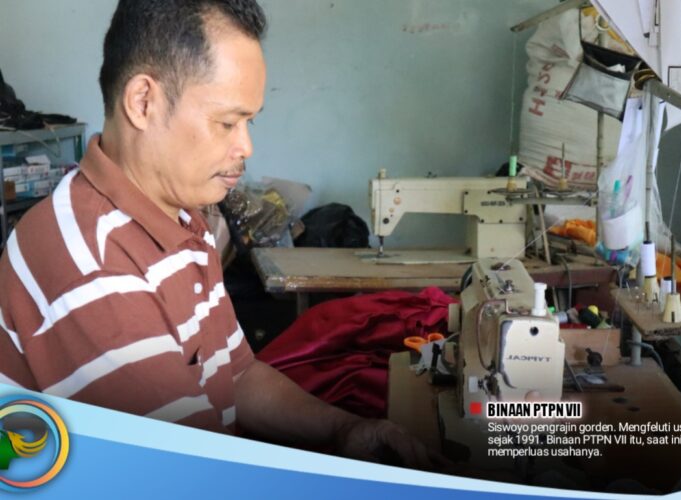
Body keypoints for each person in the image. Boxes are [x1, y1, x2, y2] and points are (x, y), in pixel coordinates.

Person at [0, 0, 444, 470]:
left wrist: (345, 428)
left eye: (249, 122)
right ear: (143, 102)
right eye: (227, 122)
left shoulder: (183, 219)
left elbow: (238, 374)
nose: (246, 145)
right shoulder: (90, 264)